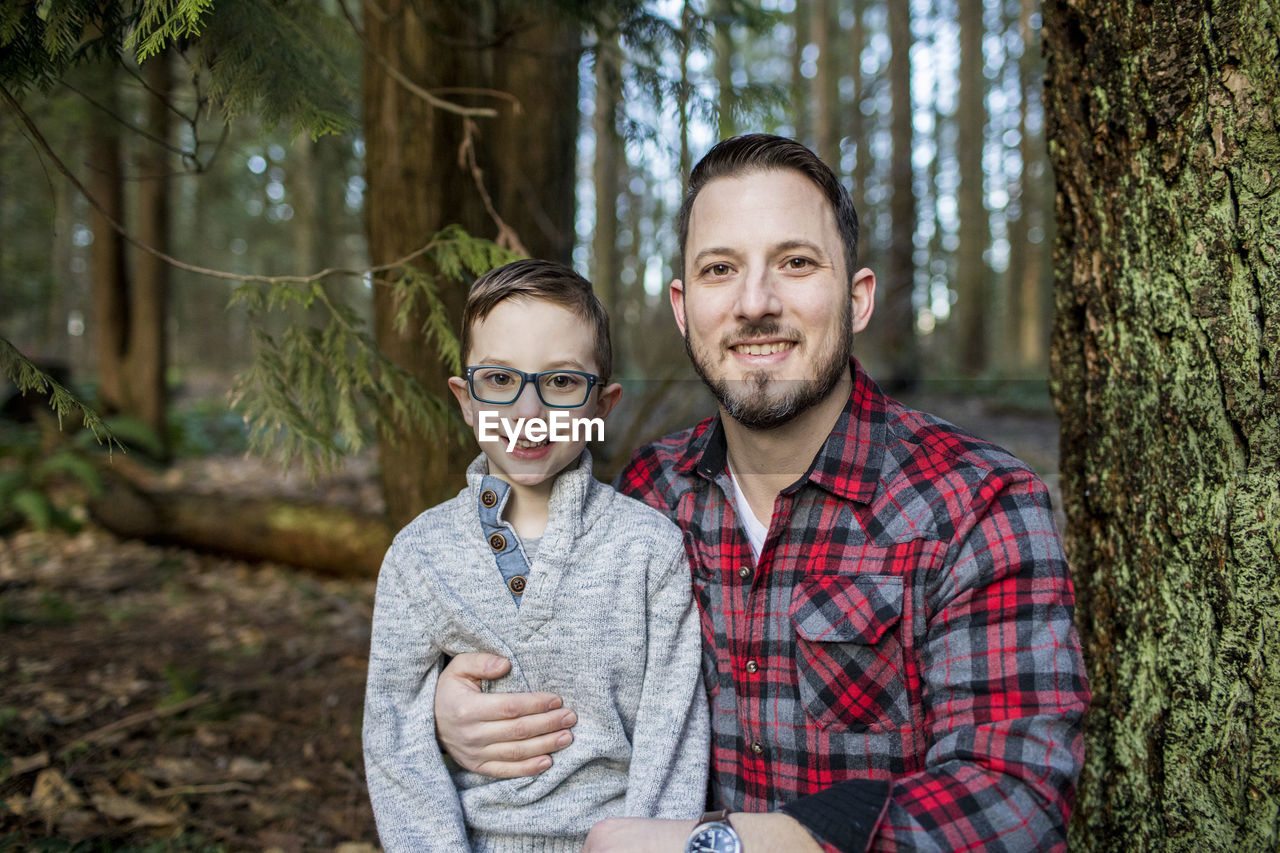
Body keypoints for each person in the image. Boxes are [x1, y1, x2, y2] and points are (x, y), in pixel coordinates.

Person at [433, 135, 1091, 852]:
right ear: (684, 308)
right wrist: (449, 710)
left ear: (857, 296)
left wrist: (726, 844)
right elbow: (559, 659)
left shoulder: (979, 504)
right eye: (721, 269)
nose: (755, 303)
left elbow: (1013, 796)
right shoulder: (653, 494)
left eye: (796, 262)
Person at [362, 259, 710, 852]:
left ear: (603, 406)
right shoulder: (419, 555)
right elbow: (395, 741)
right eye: (499, 380)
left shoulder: (648, 548)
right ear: (465, 400)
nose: (527, 412)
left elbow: (671, 735)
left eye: (562, 383)